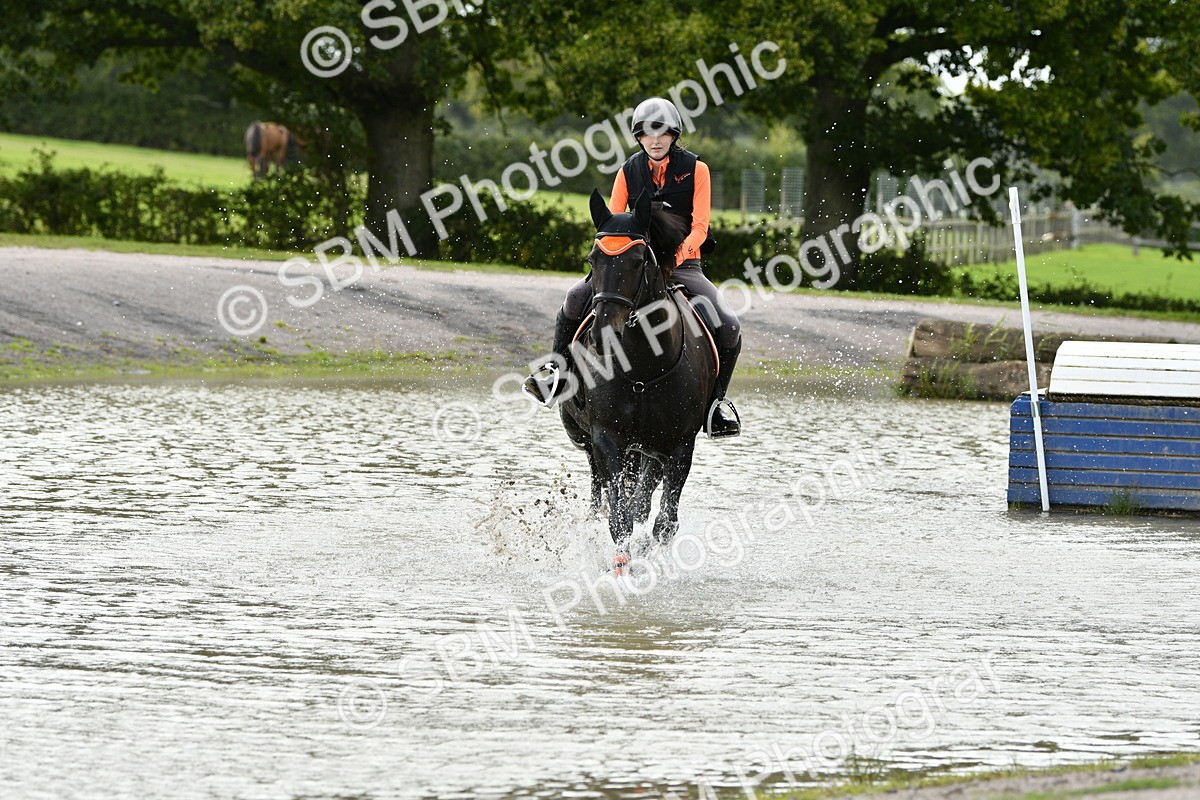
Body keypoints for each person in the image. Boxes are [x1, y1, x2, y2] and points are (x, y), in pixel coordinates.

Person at [523, 97, 742, 437]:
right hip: (631, 266)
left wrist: (671, 260)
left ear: (673, 135)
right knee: (575, 298)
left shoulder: (697, 170)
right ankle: (556, 373)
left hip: (683, 265)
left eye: (662, 133)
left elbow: (700, 228)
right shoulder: (628, 171)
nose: (655, 140)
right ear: (639, 137)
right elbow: (613, 226)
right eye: (647, 134)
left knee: (728, 324)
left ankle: (716, 405)